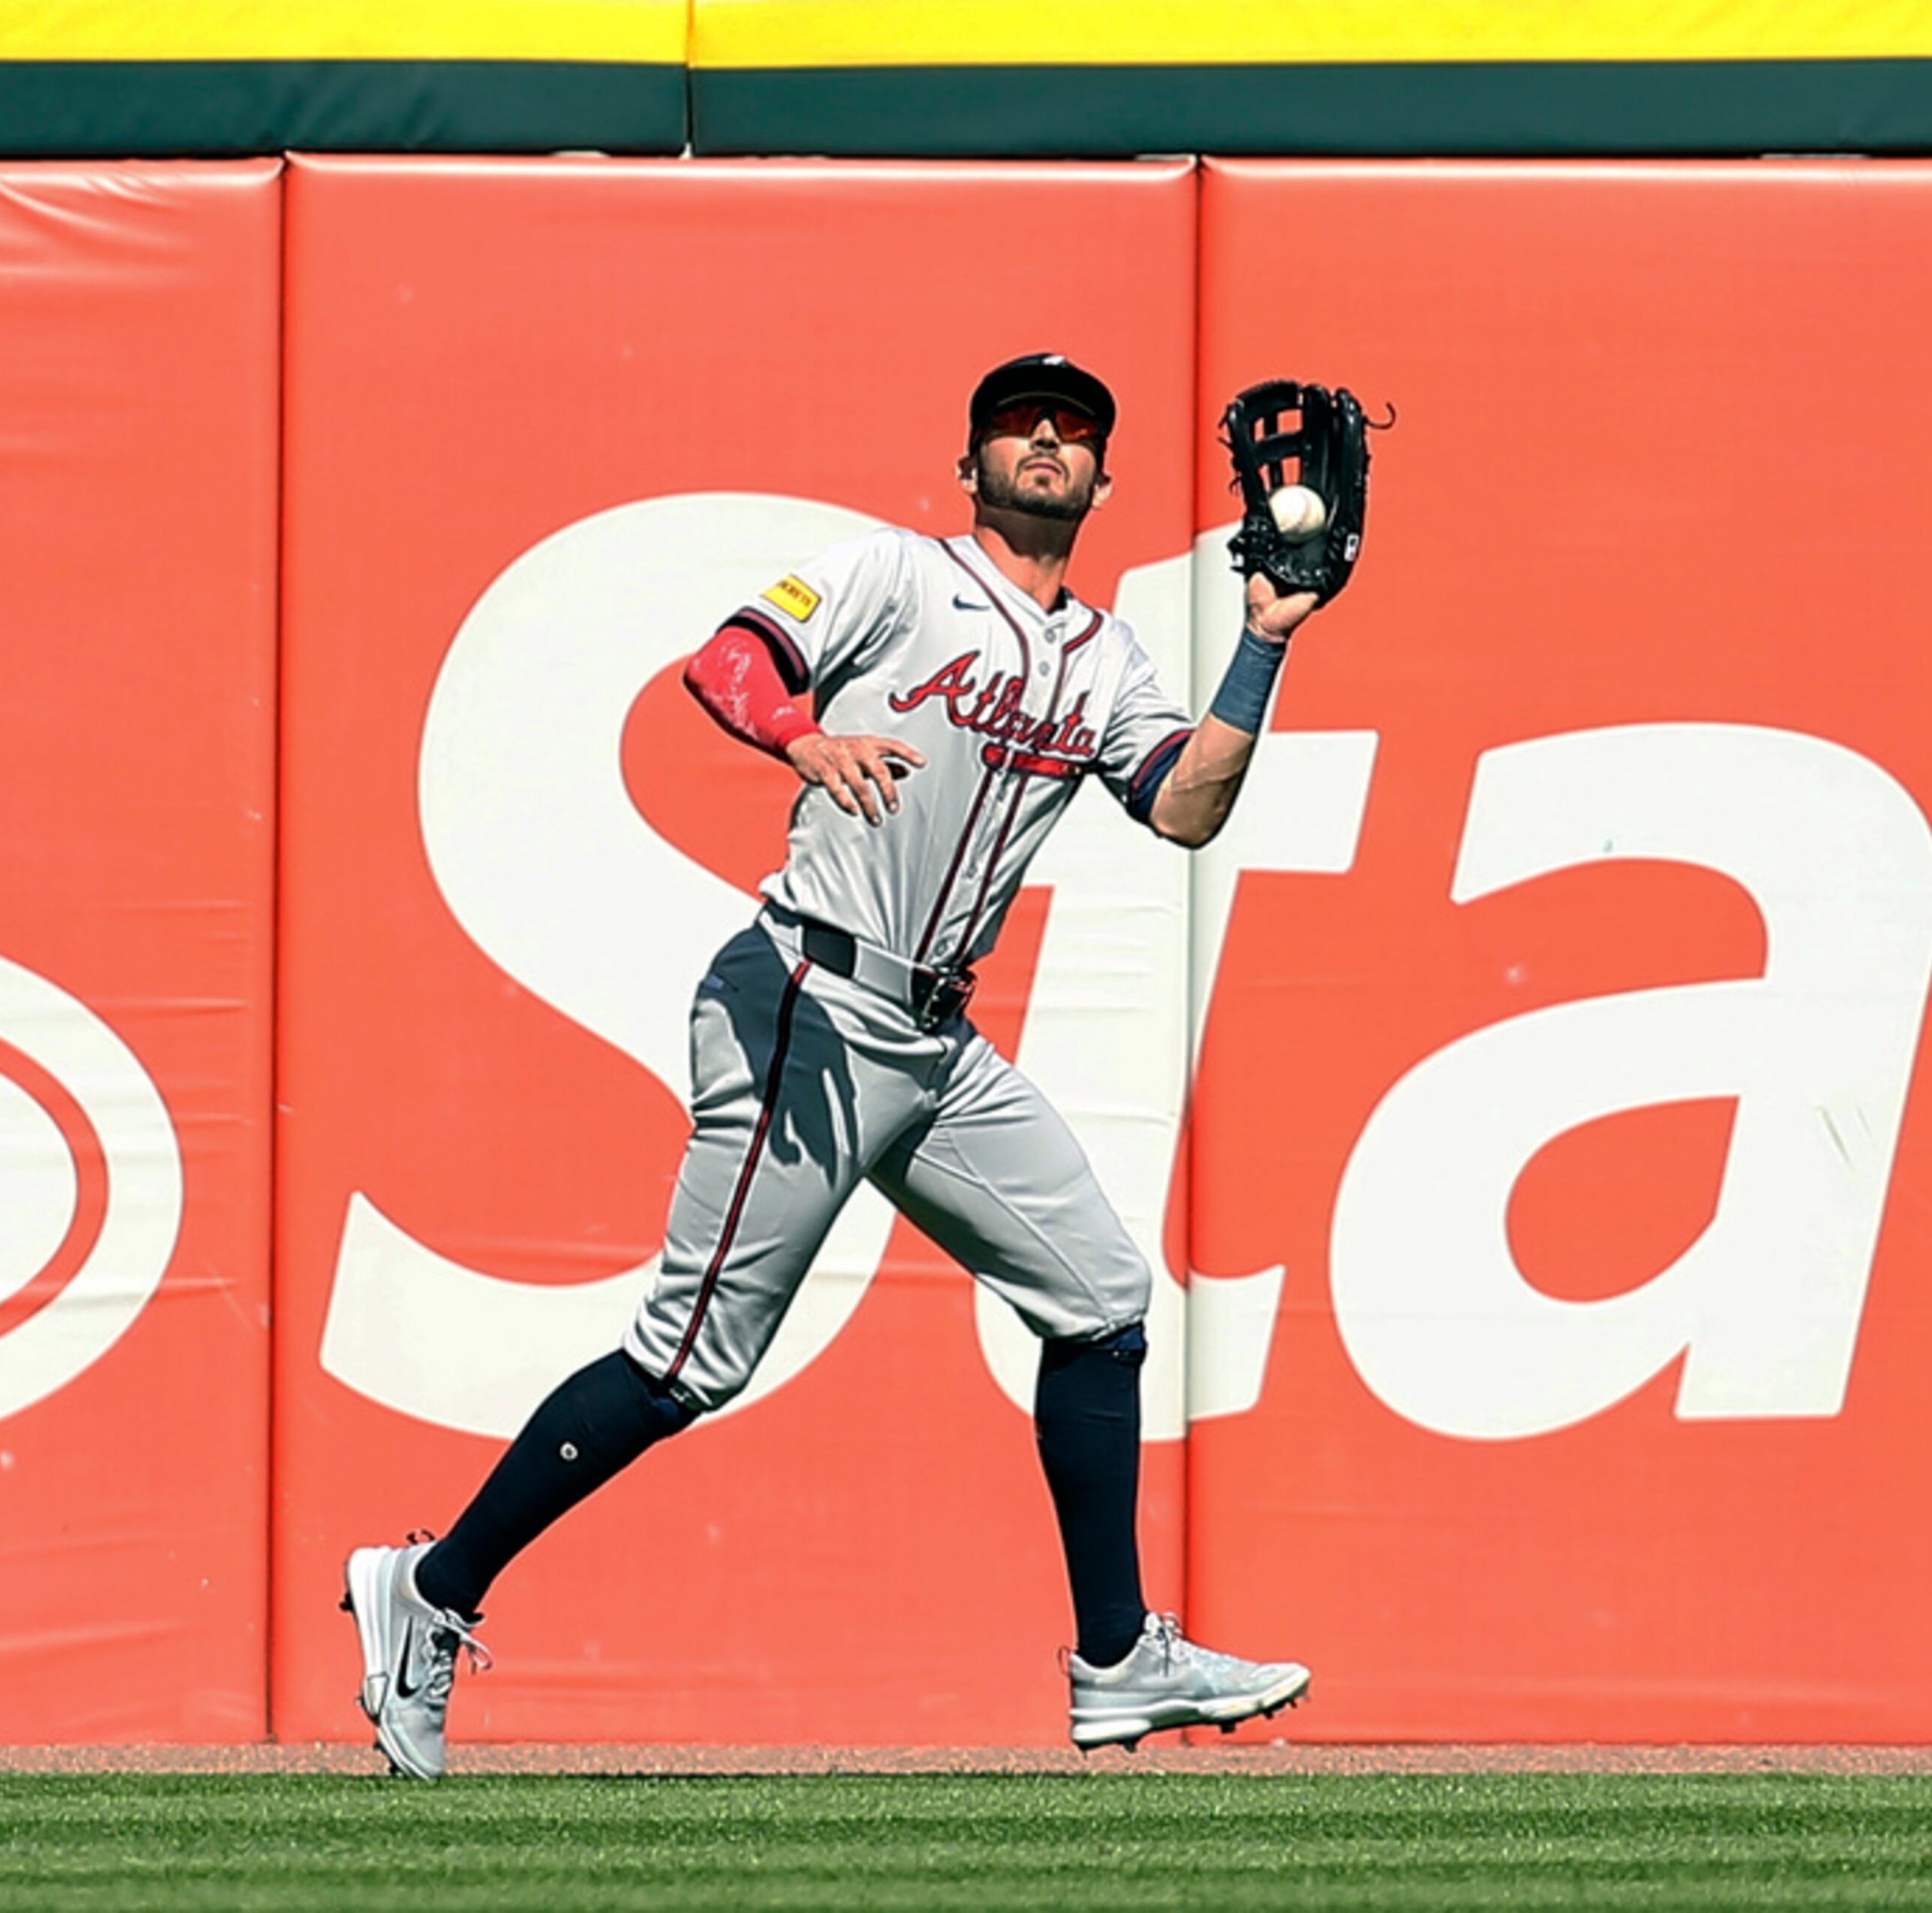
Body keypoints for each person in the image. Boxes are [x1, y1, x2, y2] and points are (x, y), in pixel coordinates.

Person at [345, 352, 1327, 1778]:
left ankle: (1114, 1660)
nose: (1045, 441)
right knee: (690, 1360)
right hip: (811, 993)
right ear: (970, 461)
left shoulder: (1107, 656)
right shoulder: (896, 576)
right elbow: (726, 662)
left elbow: (1184, 807)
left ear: (1106, 479)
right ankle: (428, 1591)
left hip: (932, 1039)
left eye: (1074, 430)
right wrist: (805, 738)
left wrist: (1267, 642)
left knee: (1105, 1299)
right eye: (1017, 424)